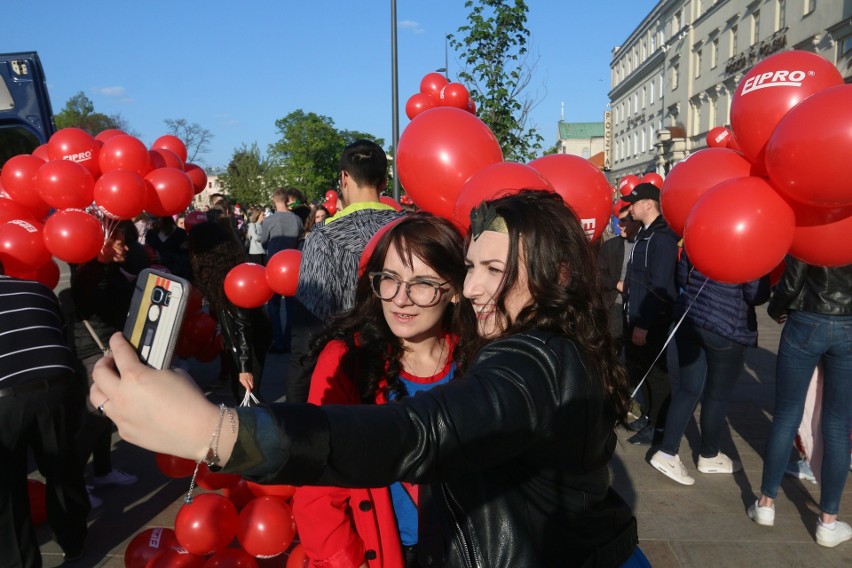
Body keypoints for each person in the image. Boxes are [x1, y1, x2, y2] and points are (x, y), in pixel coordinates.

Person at [90, 190, 638, 567]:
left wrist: (214, 432)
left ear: (557, 274)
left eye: (494, 271)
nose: (474, 289)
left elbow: (419, 433)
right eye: (473, 267)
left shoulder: (528, 361)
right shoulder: (519, 346)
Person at [293, 213, 476, 567]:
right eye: (389, 279)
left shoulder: (478, 358)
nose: (400, 299)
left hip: (470, 549)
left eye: (422, 283)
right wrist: (348, 561)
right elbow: (318, 481)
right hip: (384, 553)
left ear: (454, 290)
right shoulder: (349, 359)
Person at [748, 257, 852, 548]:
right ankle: (828, 521)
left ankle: (766, 503)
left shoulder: (812, 220)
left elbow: (792, 280)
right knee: (837, 424)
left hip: (806, 320)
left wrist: (776, 308)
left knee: (786, 414)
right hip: (848, 324)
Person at [290, 140, 403, 402]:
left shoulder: (324, 236)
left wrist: (297, 400)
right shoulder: (409, 229)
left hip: (345, 372)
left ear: (344, 178)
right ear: (384, 183)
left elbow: (309, 327)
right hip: (402, 366)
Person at [648, 250, 770, 485]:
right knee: (717, 395)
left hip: (691, 319)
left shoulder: (700, 232)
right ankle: (709, 454)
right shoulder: (750, 246)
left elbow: (683, 276)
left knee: (688, 389)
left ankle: (667, 452)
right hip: (726, 326)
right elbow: (755, 294)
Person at [0, 262, 90, 566]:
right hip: (58, 387)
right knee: (64, 471)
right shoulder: (38, 290)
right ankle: (74, 541)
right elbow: (58, 336)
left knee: (8, 492)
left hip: (5, 400)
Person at [67, 224, 143, 508]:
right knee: (94, 417)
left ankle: (102, 471)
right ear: (103, 245)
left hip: (107, 346)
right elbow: (88, 297)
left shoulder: (110, 269)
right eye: (119, 243)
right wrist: (101, 263)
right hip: (92, 350)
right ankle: (73, 484)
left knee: (104, 416)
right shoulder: (88, 271)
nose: (125, 247)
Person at [188, 221, 272, 403]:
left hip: (250, 338)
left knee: (248, 393)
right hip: (247, 337)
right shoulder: (220, 274)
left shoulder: (231, 279)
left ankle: (256, 429)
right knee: (242, 391)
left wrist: (244, 367)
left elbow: (243, 324)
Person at [621, 182, 679, 445]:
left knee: (657, 374)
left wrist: (645, 324)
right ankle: (647, 416)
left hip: (650, 322)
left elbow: (661, 286)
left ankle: (659, 426)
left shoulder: (662, 238)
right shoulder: (644, 234)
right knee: (640, 368)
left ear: (648, 204)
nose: (630, 207)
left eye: (634, 202)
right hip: (634, 316)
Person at [261, 188, 304, 354]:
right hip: (293, 266)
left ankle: (278, 340)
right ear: (287, 200)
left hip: (274, 266)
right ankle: (288, 340)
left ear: (274, 200)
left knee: (274, 305)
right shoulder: (296, 219)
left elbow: (264, 242)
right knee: (292, 306)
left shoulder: (270, 221)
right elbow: (299, 238)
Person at [598, 204, 641, 348]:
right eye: (618, 220)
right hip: (615, 304)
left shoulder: (645, 245)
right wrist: (616, 284)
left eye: (624, 221)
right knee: (613, 347)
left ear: (635, 221)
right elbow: (598, 274)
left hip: (637, 307)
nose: (619, 225)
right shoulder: (610, 246)